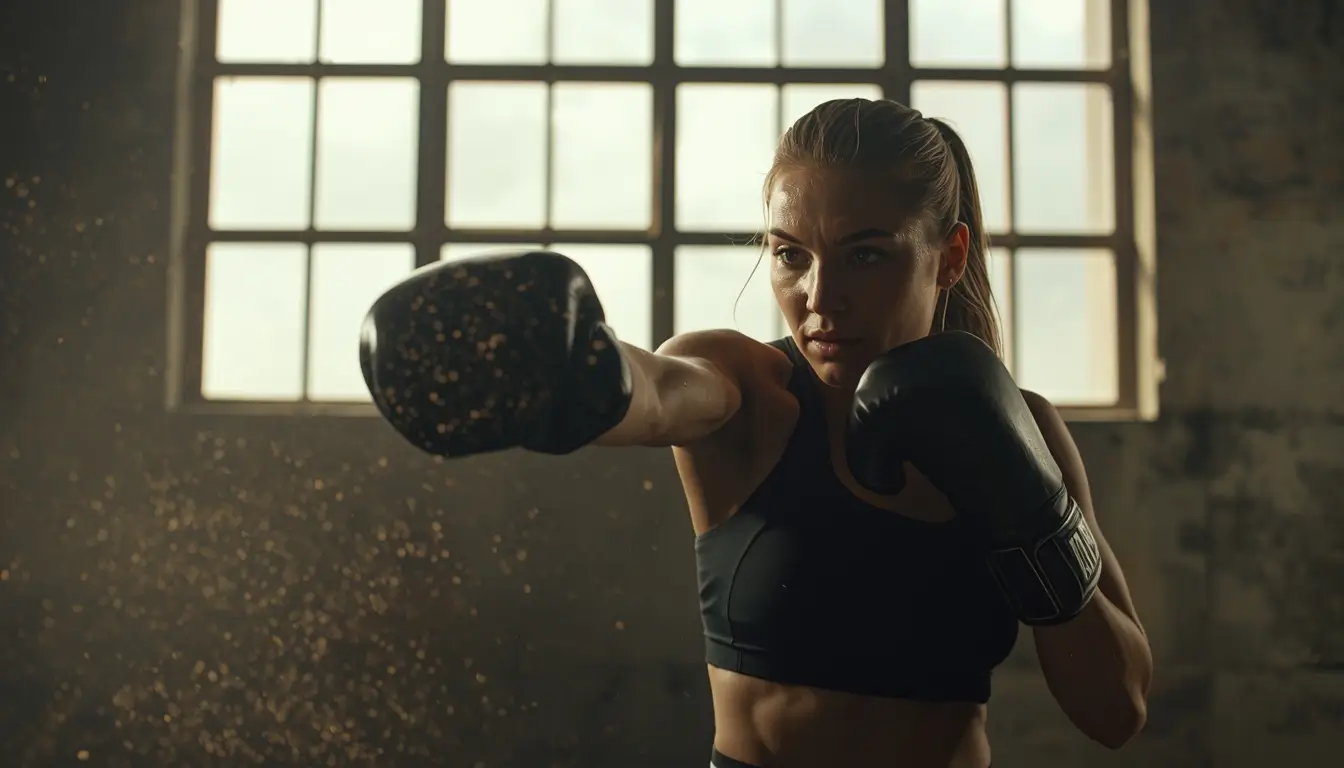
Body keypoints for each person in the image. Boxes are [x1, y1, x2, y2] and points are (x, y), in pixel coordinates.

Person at [359, 98, 1153, 768]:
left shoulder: (1026, 426)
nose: (819, 296)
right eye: (789, 255)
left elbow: (1116, 710)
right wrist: (575, 374)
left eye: (865, 254)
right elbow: (662, 392)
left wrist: (1033, 512)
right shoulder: (746, 391)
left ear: (947, 257)